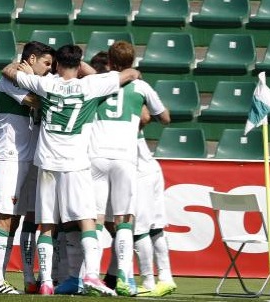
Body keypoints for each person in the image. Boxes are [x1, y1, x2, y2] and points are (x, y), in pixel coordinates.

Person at [2, 44, 140, 296]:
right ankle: (90, 275)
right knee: (87, 221)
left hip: (46, 162)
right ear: (79, 64)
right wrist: (85, 67)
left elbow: (9, 72)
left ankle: (45, 282)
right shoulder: (91, 85)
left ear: (56, 64)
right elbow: (131, 74)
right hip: (75, 164)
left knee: (46, 225)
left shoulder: (45, 84)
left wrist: (20, 68)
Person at [88, 41, 170, 296]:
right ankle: (125, 277)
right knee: (124, 220)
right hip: (124, 158)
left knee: (96, 219)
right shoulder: (141, 86)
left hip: (96, 156)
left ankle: (89, 276)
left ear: (110, 62)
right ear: (133, 61)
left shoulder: (97, 82)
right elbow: (164, 117)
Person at [0, 41, 54, 295]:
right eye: (46, 63)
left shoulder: (25, 77)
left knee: (16, 219)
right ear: (32, 58)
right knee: (4, 216)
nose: (48, 70)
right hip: (8, 156)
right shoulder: (12, 80)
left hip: (27, 157)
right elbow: (36, 101)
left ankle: (9, 279)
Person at [133, 111, 177, 297]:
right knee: (155, 227)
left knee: (139, 229)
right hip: (151, 168)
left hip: (140, 173)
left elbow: (145, 117)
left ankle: (149, 282)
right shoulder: (131, 94)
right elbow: (146, 116)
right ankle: (166, 278)